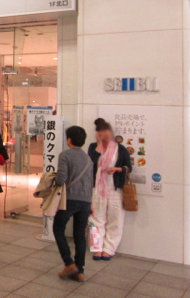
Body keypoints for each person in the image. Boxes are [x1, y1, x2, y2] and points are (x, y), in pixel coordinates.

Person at [53, 126, 94, 282]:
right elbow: (90, 182)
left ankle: (69, 263)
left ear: (69, 139)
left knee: (58, 228)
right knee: (79, 235)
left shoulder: (65, 155)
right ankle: (80, 271)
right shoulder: (88, 159)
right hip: (85, 201)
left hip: (69, 199)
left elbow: (60, 179)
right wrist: (90, 203)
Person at [88, 118, 132, 261]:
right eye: (102, 134)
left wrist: (117, 169)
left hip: (115, 189)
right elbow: (89, 163)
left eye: (107, 134)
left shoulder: (121, 149)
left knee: (115, 220)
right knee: (95, 219)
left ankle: (109, 249)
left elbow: (128, 167)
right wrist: (98, 145)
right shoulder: (93, 147)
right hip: (97, 189)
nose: (106, 137)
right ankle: (97, 248)